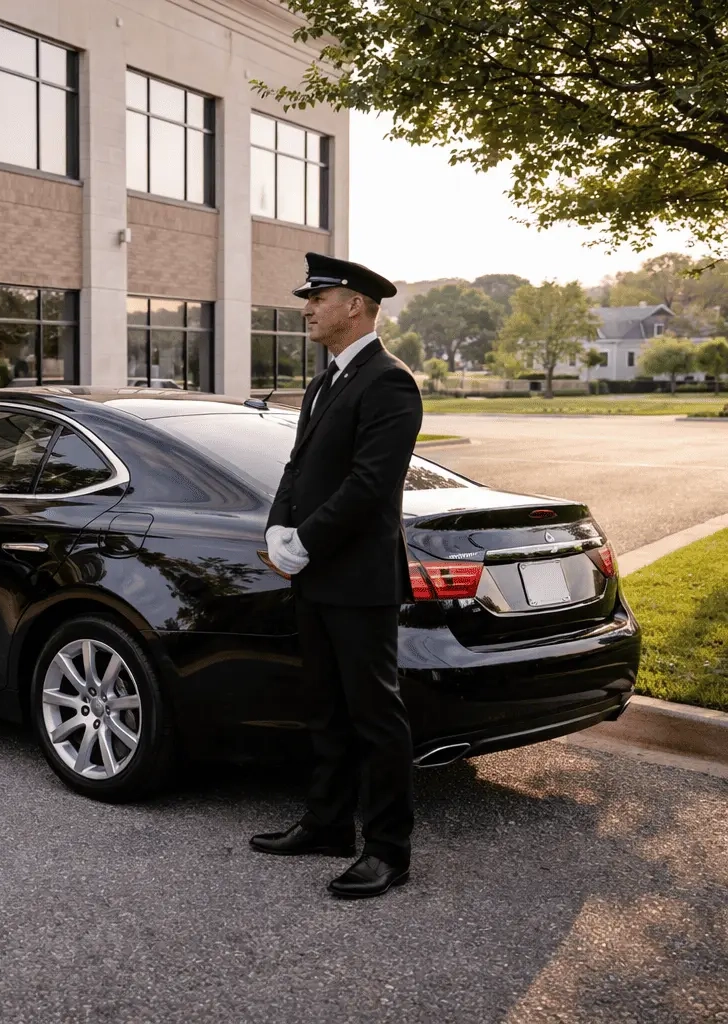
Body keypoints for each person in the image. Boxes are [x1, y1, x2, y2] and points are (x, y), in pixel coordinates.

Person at [250, 252, 424, 900]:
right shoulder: (325, 383)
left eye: (318, 298)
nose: (306, 308)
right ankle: (327, 825)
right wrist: (278, 529)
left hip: (359, 580)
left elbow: (370, 484)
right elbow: (297, 468)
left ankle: (387, 850)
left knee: (375, 716)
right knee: (323, 708)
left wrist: (306, 540)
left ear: (355, 305)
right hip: (316, 576)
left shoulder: (389, 382)